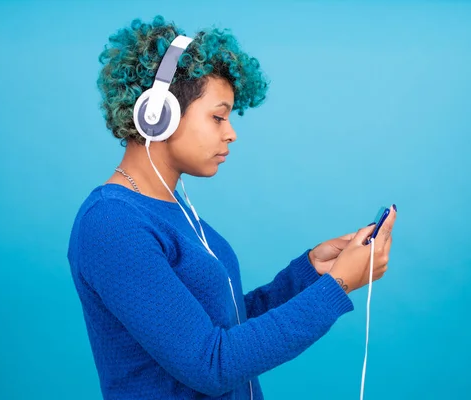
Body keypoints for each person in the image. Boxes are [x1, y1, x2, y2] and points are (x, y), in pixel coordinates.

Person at [67, 15, 397, 400]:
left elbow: (225, 327)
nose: (231, 133)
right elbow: (212, 363)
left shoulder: (176, 212)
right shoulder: (112, 224)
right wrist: (338, 286)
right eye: (218, 116)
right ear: (158, 114)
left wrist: (310, 274)